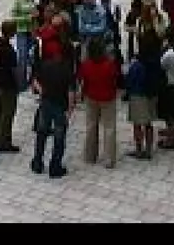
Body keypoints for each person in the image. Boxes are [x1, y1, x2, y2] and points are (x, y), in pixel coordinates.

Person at [30, 44, 74, 178]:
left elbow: (34, 81)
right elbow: (71, 92)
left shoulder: (46, 65)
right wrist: (70, 111)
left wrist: (42, 91)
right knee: (59, 138)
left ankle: (37, 162)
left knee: (42, 133)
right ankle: (55, 167)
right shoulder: (68, 70)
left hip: (46, 103)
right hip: (60, 106)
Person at [78, 38, 121, 168]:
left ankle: (90, 156)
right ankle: (109, 159)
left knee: (91, 126)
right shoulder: (109, 64)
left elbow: (82, 80)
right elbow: (116, 79)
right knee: (109, 128)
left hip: (91, 97)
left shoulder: (86, 64)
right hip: (108, 98)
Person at [0, 21, 22, 156]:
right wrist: (19, 83)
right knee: (8, 113)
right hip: (8, 85)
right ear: (11, 32)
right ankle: (5, 142)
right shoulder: (9, 51)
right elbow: (14, 69)